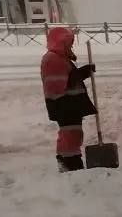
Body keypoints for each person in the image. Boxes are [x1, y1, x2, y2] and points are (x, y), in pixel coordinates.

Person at [41, 27, 97, 172]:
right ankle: (70, 162)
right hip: (64, 105)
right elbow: (58, 84)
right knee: (70, 134)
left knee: (72, 133)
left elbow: (67, 78)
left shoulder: (59, 58)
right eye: (68, 43)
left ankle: (68, 160)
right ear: (60, 42)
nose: (70, 46)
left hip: (69, 105)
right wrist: (81, 73)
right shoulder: (52, 59)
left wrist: (82, 72)